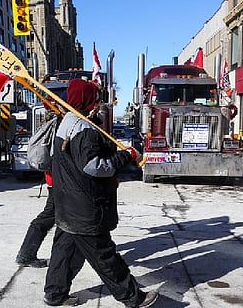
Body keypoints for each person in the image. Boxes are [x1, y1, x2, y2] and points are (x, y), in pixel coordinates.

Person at [43, 78, 159, 307]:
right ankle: (134, 298)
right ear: (86, 99)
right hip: (84, 207)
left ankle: (54, 294)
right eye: (94, 99)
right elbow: (94, 166)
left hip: (67, 203)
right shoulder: (84, 128)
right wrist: (125, 156)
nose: (97, 103)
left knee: (64, 252)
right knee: (105, 256)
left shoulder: (66, 121)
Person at [15, 170, 54, 268]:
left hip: (57, 181)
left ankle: (26, 254)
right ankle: (26, 255)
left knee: (49, 216)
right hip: (60, 182)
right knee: (47, 217)